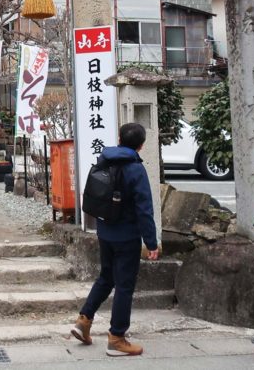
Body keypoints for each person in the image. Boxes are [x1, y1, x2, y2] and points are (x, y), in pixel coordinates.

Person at [71, 122, 159, 357]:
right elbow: (144, 209)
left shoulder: (105, 159)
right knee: (124, 286)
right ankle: (117, 338)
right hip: (127, 236)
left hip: (104, 230)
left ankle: (84, 320)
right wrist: (151, 243)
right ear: (141, 145)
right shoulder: (135, 169)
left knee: (106, 277)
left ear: (119, 139)